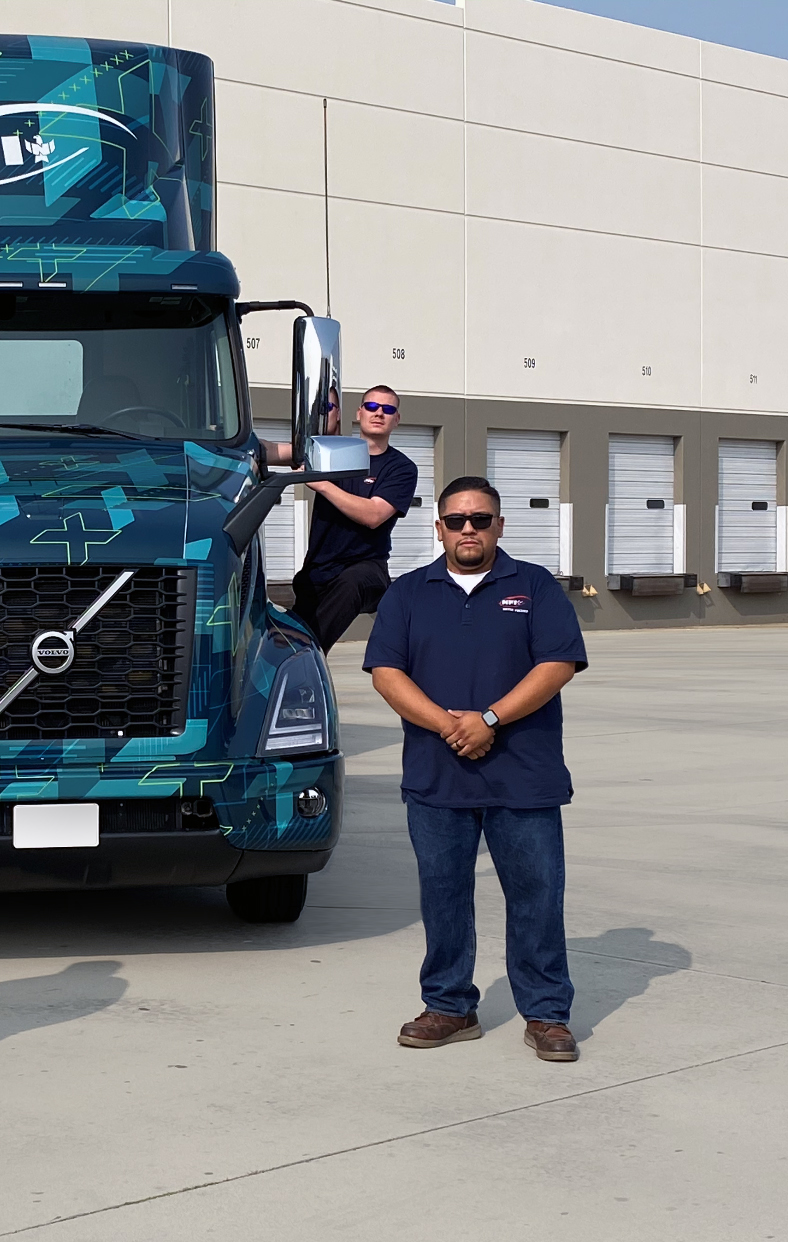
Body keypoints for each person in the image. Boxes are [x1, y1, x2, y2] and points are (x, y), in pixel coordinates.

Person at [362, 476, 588, 1062]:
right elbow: (387, 672)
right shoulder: (408, 594)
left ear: (499, 526)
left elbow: (558, 662)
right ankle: (449, 1006)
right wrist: (449, 725)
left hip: (524, 777)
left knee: (537, 896)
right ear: (437, 527)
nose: (469, 529)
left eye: (481, 519)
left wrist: (488, 719)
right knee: (443, 896)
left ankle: (546, 1013)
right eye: (457, 520)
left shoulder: (534, 586)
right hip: (439, 778)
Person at [267, 385, 417, 650]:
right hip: (318, 571)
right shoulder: (331, 452)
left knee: (305, 645)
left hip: (366, 570)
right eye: (371, 407)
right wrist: (231, 436)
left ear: (397, 419)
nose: (379, 413)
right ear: (359, 413)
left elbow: (373, 515)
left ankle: (303, 653)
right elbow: (272, 452)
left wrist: (323, 484)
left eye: (388, 409)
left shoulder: (401, 468)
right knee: (285, 642)